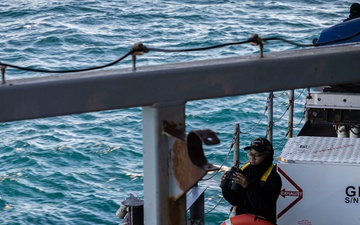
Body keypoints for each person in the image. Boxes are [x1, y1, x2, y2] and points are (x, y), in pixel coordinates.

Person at [220, 137, 282, 225]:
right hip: (242, 219)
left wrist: (247, 186)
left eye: (256, 155)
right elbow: (235, 201)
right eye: (250, 154)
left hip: (263, 220)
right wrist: (225, 186)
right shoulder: (245, 170)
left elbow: (264, 207)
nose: (252, 158)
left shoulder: (273, 177)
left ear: (267, 155)